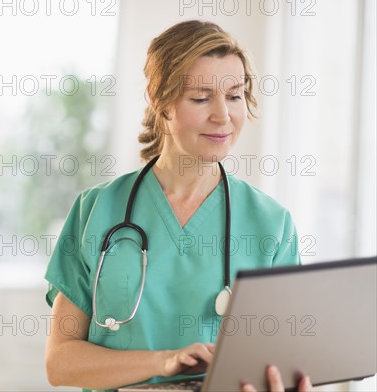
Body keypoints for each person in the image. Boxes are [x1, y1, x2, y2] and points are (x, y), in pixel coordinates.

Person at [44, 20, 313, 392]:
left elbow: (284, 362)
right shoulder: (96, 210)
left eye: (234, 95)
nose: (223, 116)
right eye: (201, 98)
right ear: (159, 100)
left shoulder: (272, 224)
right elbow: (61, 363)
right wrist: (162, 361)